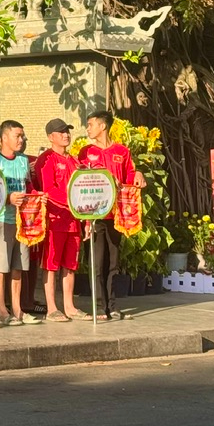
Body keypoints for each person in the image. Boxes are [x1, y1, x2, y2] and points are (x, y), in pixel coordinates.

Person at [79, 110, 146, 320]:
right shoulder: (85, 152)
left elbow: (129, 178)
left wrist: (138, 174)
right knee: (97, 263)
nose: (88, 128)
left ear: (103, 126)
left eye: (91, 124)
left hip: (116, 215)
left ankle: (113, 306)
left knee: (113, 263)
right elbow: (79, 182)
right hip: (94, 215)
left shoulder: (122, 151)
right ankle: (99, 307)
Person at [31, 118, 88, 321]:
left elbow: (83, 190)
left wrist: (86, 220)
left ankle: (70, 306)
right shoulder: (46, 159)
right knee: (51, 265)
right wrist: (72, 202)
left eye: (67, 131)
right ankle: (52, 308)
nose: (66, 135)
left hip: (73, 221)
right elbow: (49, 189)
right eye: (61, 132)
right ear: (50, 137)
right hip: (54, 220)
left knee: (70, 265)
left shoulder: (74, 161)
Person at [0, 120, 40, 326]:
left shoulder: (22, 160)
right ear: (3, 138)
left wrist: (36, 198)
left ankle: (17, 309)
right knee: (2, 267)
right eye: (18, 136)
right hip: (2, 219)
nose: (22, 139)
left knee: (18, 266)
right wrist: (8, 198)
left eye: (22, 136)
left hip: (23, 220)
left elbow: (27, 185)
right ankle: (1, 309)